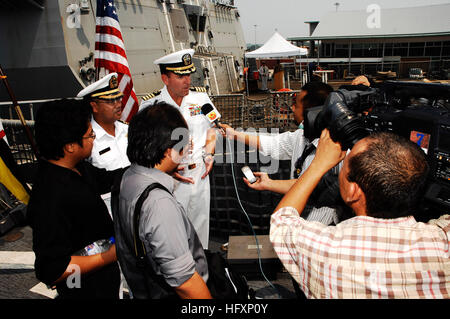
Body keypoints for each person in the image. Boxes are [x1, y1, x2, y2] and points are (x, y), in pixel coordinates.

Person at [270, 129, 450, 298]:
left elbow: (282, 220)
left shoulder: (325, 250)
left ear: (352, 192)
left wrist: (318, 165)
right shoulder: (443, 242)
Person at [114, 102, 212, 299]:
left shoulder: (127, 177)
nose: (188, 145)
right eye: (184, 140)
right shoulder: (159, 204)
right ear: (168, 151)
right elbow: (185, 282)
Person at [27, 99, 121, 299]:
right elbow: (53, 269)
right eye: (89, 135)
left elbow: (111, 179)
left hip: (105, 281)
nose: (93, 139)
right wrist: (109, 255)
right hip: (83, 290)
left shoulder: (78, 167)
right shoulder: (49, 197)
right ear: (70, 146)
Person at [220, 82, 340, 225]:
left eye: (296, 104)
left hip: (323, 228)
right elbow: (270, 144)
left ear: (313, 112)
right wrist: (234, 134)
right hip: (297, 224)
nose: (292, 108)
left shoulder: (339, 148)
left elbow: (315, 188)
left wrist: (270, 184)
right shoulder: (299, 137)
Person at [139, 49, 218, 249]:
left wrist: (209, 154)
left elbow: (212, 130)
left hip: (199, 173)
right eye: (181, 76)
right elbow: (144, 145)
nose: (187, 80)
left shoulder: (201, 99)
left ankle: (203, 272)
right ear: (165, 78)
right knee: (171, 231)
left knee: (200, 229)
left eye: (189, 74)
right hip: (168, 177)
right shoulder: (152, 104)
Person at [77, 72, 131, 216]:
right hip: (110, 214)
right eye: (111, 101)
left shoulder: (129, 130)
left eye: (118, 98)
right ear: (94, 106)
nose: (118, 104)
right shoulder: (86, 141)